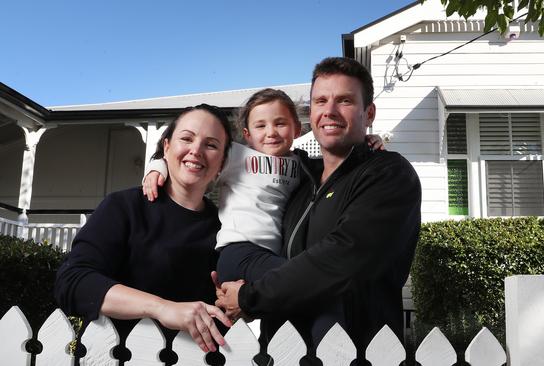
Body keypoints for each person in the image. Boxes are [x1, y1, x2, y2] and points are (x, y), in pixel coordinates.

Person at [216, 57, 422, 362]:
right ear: (311, 113)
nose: (330, 111)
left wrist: (249, 297)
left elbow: (343, 258)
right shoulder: (297, 178)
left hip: (357, 353)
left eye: (345, 101)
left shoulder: (388, 174)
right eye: (320, 101)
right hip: (285, 352)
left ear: (370, 113)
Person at [142, 89, 384, 346]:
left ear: (297, 129)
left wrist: (367, 144)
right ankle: (335, 354)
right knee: (317, 290)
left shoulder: (305, 166)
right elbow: (189, 156)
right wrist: (156, 170)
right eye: (260, 125)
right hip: (239, 252)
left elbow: (340, 166)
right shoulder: (234, 156)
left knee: (288, 308)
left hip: (270, 257)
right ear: (247, 134)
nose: (271, 132)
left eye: (280, 123)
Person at [54, 104, 234, 356]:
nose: (196, 150)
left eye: (211, 145)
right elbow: (73, 282)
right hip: (114, 357)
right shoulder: (124, 207)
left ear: (223, 162)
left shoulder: (228, 229)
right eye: (187, 138)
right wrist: (162, 308)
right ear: (167, 147)